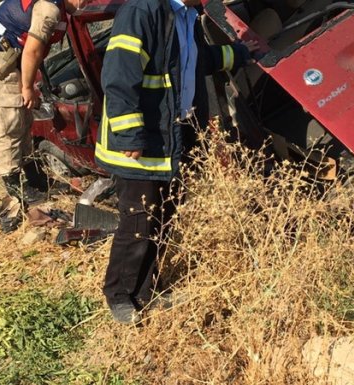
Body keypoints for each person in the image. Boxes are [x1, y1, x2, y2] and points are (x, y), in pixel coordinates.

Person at [97, 0, 258, 324]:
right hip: (141, 143)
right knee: (139, 221)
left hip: (173, 135)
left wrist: (241, 54)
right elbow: (118, 74)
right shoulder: (143, 11)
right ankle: (118, 295)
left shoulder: (185, 16)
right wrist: (130, 134)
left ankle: (146, 291)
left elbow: (199, 61)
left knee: (164, 215)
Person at [0, 0, 88, 232]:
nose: (87, 3)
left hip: (10, 63)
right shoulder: (49, 9)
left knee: (24, 121)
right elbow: (32, 50)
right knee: (9, 123)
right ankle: (16, 189)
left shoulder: (60, 8)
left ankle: (34, 180)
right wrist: (27, 87)